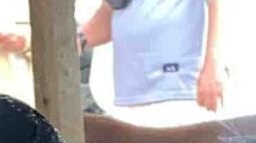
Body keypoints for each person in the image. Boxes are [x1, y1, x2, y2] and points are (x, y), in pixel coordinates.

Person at [80, 0, 219, 120]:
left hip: (179, 89)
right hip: (131, 97)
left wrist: (213, 66)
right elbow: (110, 13)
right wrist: (78, 41)